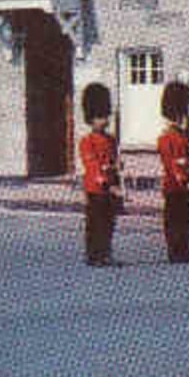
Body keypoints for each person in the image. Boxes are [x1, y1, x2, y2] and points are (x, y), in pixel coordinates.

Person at [77, 82, 121, 267]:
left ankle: (105, 252)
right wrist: (105, 182)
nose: (103, 120)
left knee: (109, 223)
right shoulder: (86, 141)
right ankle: (94, 255)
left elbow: (112, 161)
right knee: (95, 224)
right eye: (99, 117)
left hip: (110, 187)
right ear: (91, 119)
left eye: (105, 116)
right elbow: (92, 164)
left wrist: (117, 167)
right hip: (96, 189)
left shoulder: (111, 139)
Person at [156, 80, 189, 263]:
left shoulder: (180, 135)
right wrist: (184, 180)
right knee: (175, 220)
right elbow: (172, 163)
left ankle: (183, 249)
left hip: (184, 184)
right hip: (174, 186)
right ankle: (175, 251)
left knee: (185, 219)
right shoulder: (167, 137)